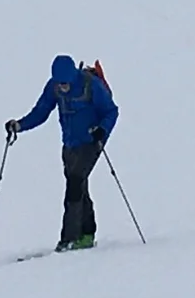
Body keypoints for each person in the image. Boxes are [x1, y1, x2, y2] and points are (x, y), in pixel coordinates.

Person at [7, 53, 119, 250]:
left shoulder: (90, 84)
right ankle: (87, 234)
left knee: (74, 184)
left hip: (91, 141)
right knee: (79, 186)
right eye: (59, 83)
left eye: (65, 83)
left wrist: (102, 131)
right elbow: (41, 111)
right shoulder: (54, 87)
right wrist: (20, 125)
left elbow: (111, 111)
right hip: (69, 144)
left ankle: (69, 238)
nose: (62, 87)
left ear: (72, 77)